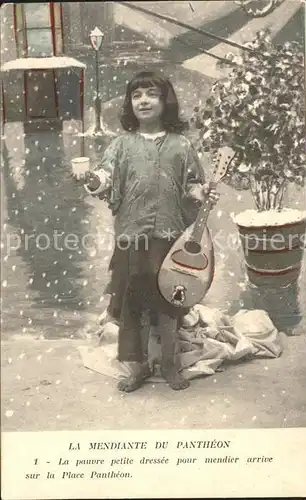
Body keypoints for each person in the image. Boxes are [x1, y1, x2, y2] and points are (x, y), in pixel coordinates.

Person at [77, 71, 220, 392]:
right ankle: (136, 366)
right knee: (133, 307)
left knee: (169, 305)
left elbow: (193, 184)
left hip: (170, 241)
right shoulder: (121, 145)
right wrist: (92, 179)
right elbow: (105, 178)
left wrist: (201, 193)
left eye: (151, 94)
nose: (143, 100)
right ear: (129, 103)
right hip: (132, 238)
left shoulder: (182, 146)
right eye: (136, 94)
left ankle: (170, 363)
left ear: (164, 100)